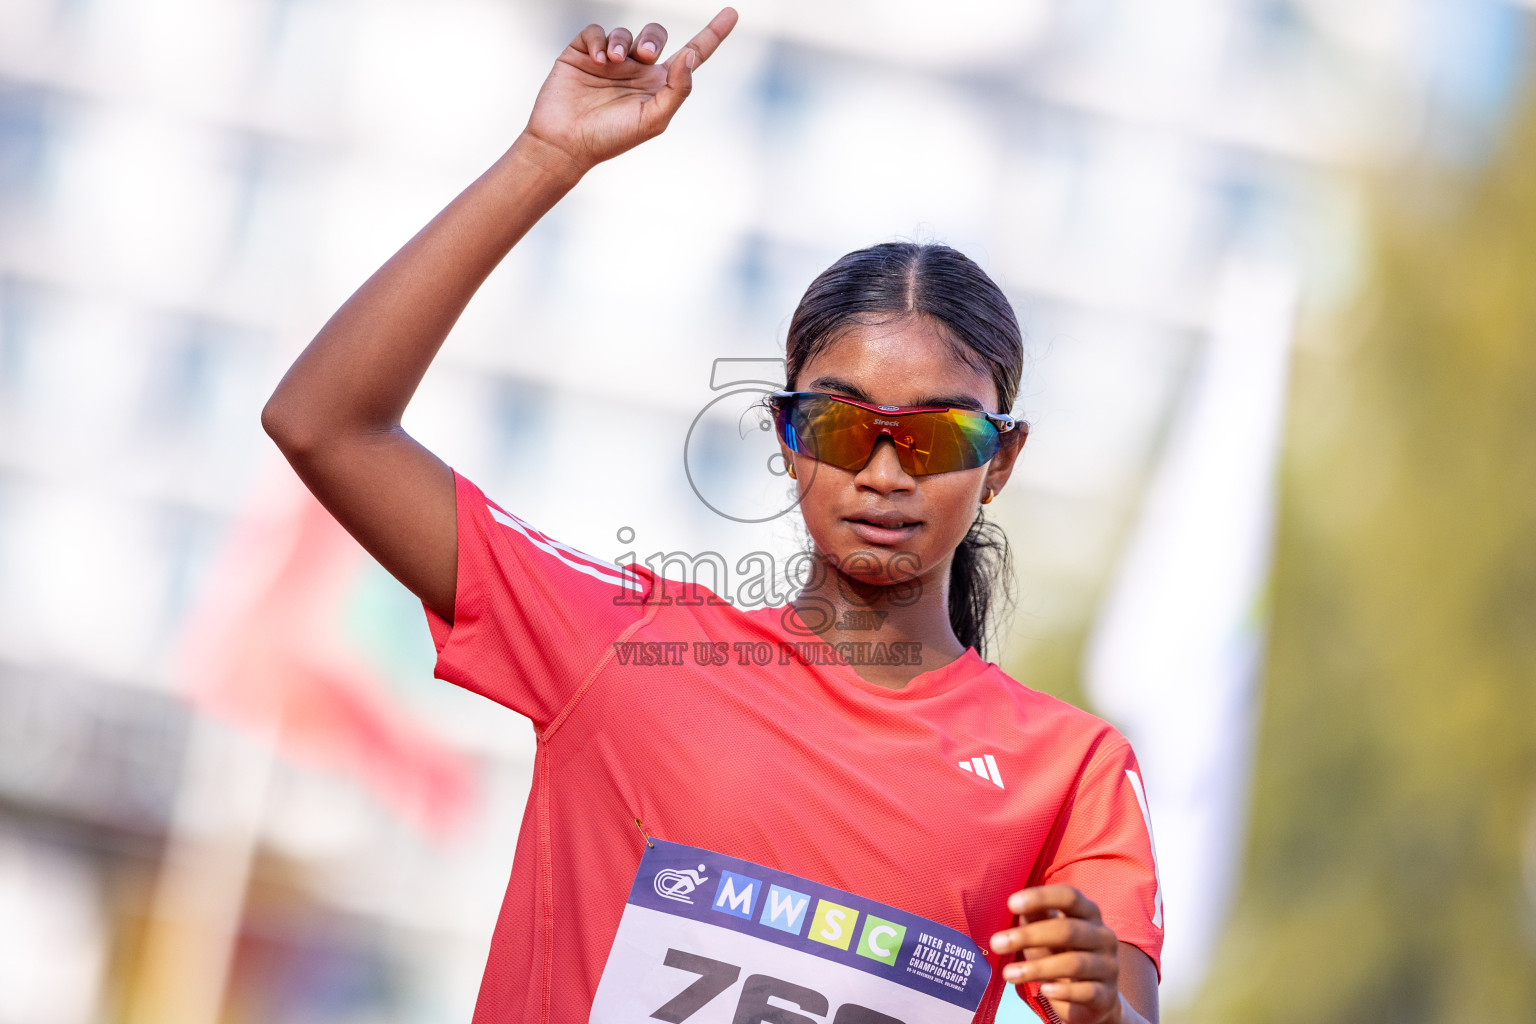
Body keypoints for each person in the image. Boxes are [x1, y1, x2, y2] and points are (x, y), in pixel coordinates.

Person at [261, 8, 1162, 1023]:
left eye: (938, 437)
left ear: (1000, 464)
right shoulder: (625, 644)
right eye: (838, 422)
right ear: (784, 438)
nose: (883, 468)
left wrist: (1098, 1005)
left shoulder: (1069, 767)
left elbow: (1128, 1002)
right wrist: (545, 157)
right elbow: (323, 424)